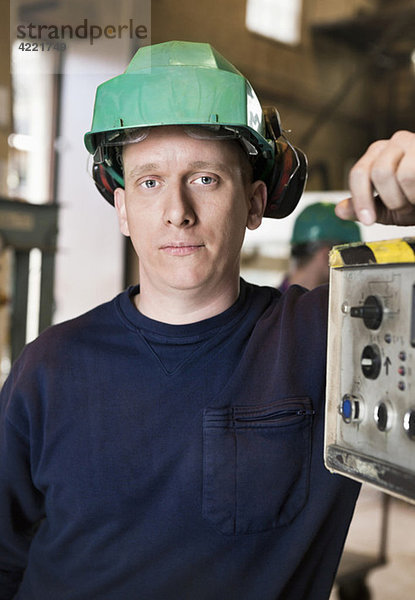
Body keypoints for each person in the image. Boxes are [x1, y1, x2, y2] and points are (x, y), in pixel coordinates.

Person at [1, 41, 415, 600]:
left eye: (205, 178)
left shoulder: (331, 340)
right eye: (149, 182)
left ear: (253, 202)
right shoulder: (48, 367)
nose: (177, 210)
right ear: (122, 208)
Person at [279, 202, 361, 292]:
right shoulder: (333, 302)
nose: (351, 269)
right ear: (328, 255)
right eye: (348, 259)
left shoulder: (273, 303)